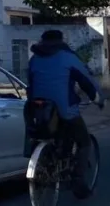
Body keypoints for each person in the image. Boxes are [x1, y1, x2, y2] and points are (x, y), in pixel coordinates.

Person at [24, 30, 104, 189]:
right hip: (64, 108)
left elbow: (30, 83)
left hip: (38, 109)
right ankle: (79, 181)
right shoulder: (68, 58)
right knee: (83, 140)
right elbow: (87, 81)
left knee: (41, 133)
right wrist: (98, 99)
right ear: (61, 40)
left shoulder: (34, 59)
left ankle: (43, 161)